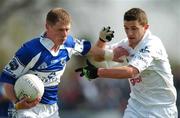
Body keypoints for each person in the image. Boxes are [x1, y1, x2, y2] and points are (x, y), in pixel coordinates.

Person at [0, 7, 128, 118]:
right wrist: (16, 103)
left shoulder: (69, 44)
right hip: (27, 110)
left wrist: (111, 55)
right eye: (60, 30)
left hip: (51, 110)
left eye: (67, 29)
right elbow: (7, 79)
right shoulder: (30, 50)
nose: (65, 34)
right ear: (47, 27)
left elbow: (92, 51)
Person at [75, 8, 178, 118]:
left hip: (161, 109)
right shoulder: (126, 44)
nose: (129, 33)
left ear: (146, 27)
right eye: (126, 28)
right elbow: (98, 56)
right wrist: (102, 40)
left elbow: (131, 72)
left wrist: (97, 72)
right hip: (135, 107)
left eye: (134, 28)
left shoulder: (152, 45)